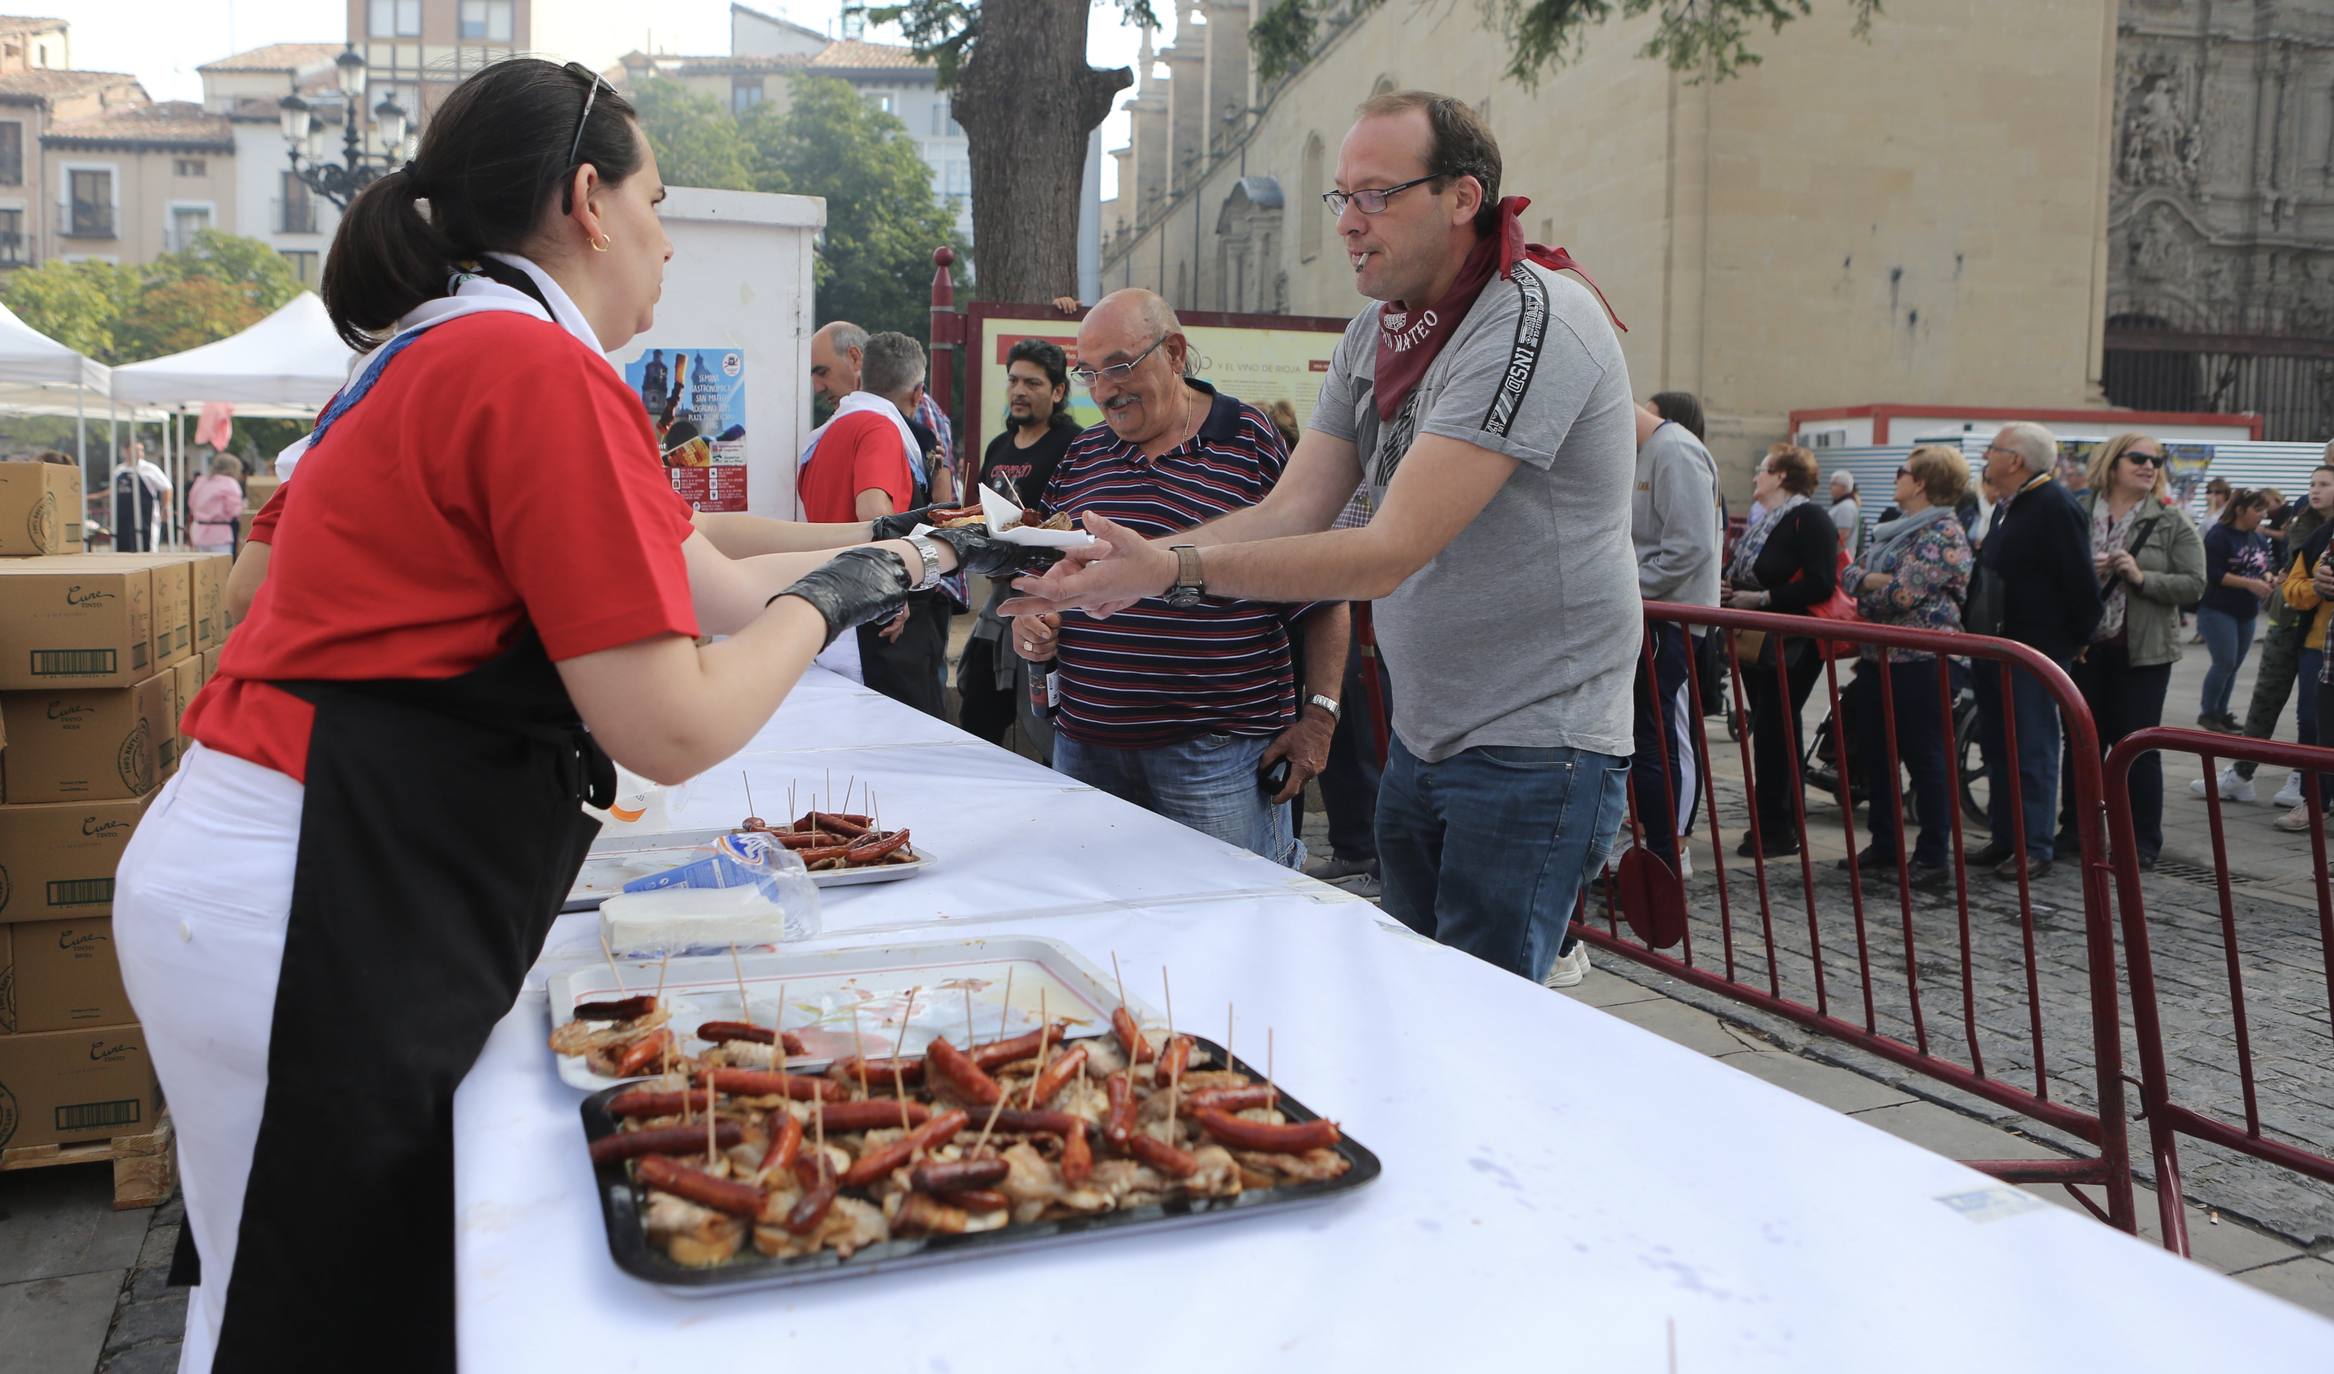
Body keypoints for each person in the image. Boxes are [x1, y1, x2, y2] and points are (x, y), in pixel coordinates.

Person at [108, 61, 1047, 1372]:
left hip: (285, 861)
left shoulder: (455, 346)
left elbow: (702, 578)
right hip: (308, 881)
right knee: (319, 1307)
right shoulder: (527, 365)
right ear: (587, 199)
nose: (668, 235)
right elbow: (673, 720)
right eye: (657, 198)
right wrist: (837, 598)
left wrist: (906, 554)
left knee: (273, 1291)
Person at [1004, 91, 1640, 984]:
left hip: (1536, 740)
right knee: (1410, 999)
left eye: (1375, 195)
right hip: (1429, 732)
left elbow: (1387, 549)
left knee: (1480, 1020)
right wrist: (1137, 569)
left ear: (1464, 197)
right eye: (1339, 197)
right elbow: (1293, 509)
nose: (1347, 222)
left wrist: (1170, 570)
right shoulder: (1375, 332)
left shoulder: (1531, 318)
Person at [1007, 290, 1345, 867]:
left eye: (1119, 365)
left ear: (1176, 353)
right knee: (1096, 922)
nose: (1105, 388)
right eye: (1090, 372)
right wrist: (1036, 626)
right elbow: (1048, 577)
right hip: (1086, 745)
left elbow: (1322, 591)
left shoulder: (1250, 441)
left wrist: (1320, 717)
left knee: (1228, 928)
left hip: (1216, 756)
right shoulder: (1083, 452)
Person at [2057, 433, 2205, 870]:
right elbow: (2055, 573)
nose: (2149, 466)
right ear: (2112, 462)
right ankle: (2074, 832)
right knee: (2082, 744)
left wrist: (2141, 577)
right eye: (2139, 458)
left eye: (2156, 461)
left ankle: (2142, 840)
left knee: (2138, 746)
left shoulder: (2170, 522)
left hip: (2143, 652)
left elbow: (2195, 585)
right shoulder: (2078, 512)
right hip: (2086, 647)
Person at [1964, 421, 2102, 881]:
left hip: (2035, 650)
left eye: (1993, 449)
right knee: (2000, 748)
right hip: (1999, 647)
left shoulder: (2053, 505)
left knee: (2033, 749)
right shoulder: (2011, 504)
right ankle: (2007, 837)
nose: (1986, 457)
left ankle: (2034, 846)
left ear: (2015, 460)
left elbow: (2081, 583)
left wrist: (2076, 640)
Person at [1837, 445, 1975, 889]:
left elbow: (1899, 596)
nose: (1897, 478)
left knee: (1926, 758)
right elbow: (1851, 575)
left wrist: (1875, 584)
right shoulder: (1893, 529)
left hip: (1922, 662)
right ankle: (1885, 843)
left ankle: (1933, 856)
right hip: (1880, 657)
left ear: (1920, 482)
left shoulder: (1943, 533)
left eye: (1903, 472)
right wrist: (1877, 582)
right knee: (1877, 755)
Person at [799, 329, 952, 717]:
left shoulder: (825, 434)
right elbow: (874, 512)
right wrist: (895, 597)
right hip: (878, 632)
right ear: (918, 393)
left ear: (861, 375)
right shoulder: (878, 428)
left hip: (837, 615)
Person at [959, 338, 1079, 750]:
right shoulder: (998, 446)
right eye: (1013, 381)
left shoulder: (1073, 445)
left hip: (1051, 609)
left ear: (1058, 391)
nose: (1019, 391)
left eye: (1033, 383)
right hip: (999, 604)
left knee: (1047, 732)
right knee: (977, 716)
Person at [1618, 399, 1720, 879]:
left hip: (1669, 622)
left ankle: (1666, 856)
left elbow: (1690, 546)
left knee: (1657, 739)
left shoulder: (1676, 450)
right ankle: (1655, 851)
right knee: (1645, 739)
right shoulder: (1654, 450)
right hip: (1653, 615)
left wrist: (1626, 588)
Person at [1724, 443, 1837, 859]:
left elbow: (1822, 582)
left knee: (1776, 731)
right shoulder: (1768, 520)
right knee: (1773, 731)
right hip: (1761, 640)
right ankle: (1777, 822)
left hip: (1792, 644)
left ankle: (1777, 828)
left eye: (1763, 469)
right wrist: (1732, 590)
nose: (1756, 475)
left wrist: (1763, 599)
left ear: (1782, 476)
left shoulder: (1809, 518)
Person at [2203, 461, 2334, 806]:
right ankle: (2243, 773)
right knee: (2266, 700)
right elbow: (2291, 573)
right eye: (2313, 481)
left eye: (2325, 481)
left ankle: (2304, 780)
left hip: (2318, 634)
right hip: (2287, 621)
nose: (2315, 489)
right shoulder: (2303, 522)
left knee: (2312, 713)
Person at [2196, 488, 2274, 732]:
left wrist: (2268, 577)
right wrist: (2250, 583)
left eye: (2264, 509)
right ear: (2240, 510)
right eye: (2257, 509)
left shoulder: (2258, 537)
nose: (2262, 515)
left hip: (2247, 611)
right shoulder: (2219, 535)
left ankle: (2221, 712)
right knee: (2224, 662)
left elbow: (2265, 565)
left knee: (2233, 665)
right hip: (2218, 609)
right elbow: (2214, 574)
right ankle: (2208, 712)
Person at [188, 454, 246, 555]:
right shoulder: (230, 483)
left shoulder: (201, 481)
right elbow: (234, 511)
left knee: (202, 569)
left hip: (199, 532)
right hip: (220, 534)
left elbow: (192, 503)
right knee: (221, 568)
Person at [1828, 469, 1863, 558]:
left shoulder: (1846, 507)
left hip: (1838, 562)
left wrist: (1828, 556)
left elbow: (1842, 536)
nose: (1830, 486)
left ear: (1844, 487)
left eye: (1834, 483)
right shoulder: (1842, 504)